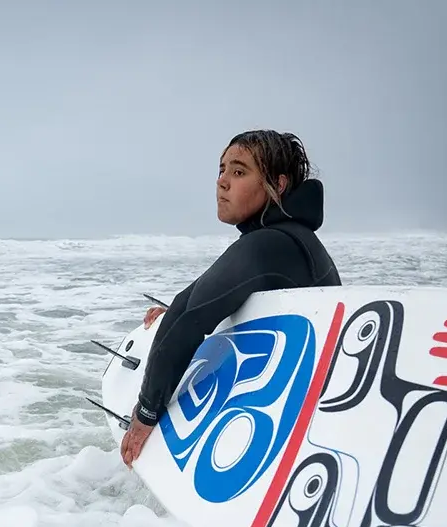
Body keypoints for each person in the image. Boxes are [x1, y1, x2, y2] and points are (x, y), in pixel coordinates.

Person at [120, 129, 341, 467]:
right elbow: (195, 302)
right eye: (222, 170)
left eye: (239, 172)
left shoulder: (270, 243)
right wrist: (174, 313)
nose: (222, 182)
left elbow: (190, 315)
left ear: (278, 185)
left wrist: (145, 414)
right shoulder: (291, 238)